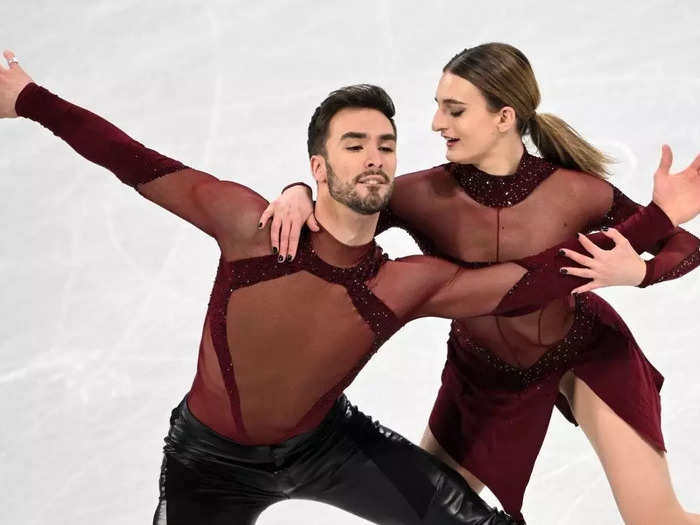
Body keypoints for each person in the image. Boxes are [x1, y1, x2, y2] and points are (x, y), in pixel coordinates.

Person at [2, 50, 698, 525]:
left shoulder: (407, 282)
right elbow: (131, 159)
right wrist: (29, 99)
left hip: (331, 443)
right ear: (318, 162)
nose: (376, 157)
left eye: (385, 145)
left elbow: (527, 284)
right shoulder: (251, 226)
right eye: (353, 145)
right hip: (209, 461)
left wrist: (652, 232)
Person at [264, 42, 700, 523]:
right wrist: (299, 191)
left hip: (585, 354)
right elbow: (347, 206)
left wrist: (641, 272)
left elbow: (683, 246)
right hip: (481, 375)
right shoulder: (420, 195)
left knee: (657, 519)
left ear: (504, 117)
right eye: (437, 107)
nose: (435, 123)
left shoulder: (576, 191)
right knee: (423, 515)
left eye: (454, 110)